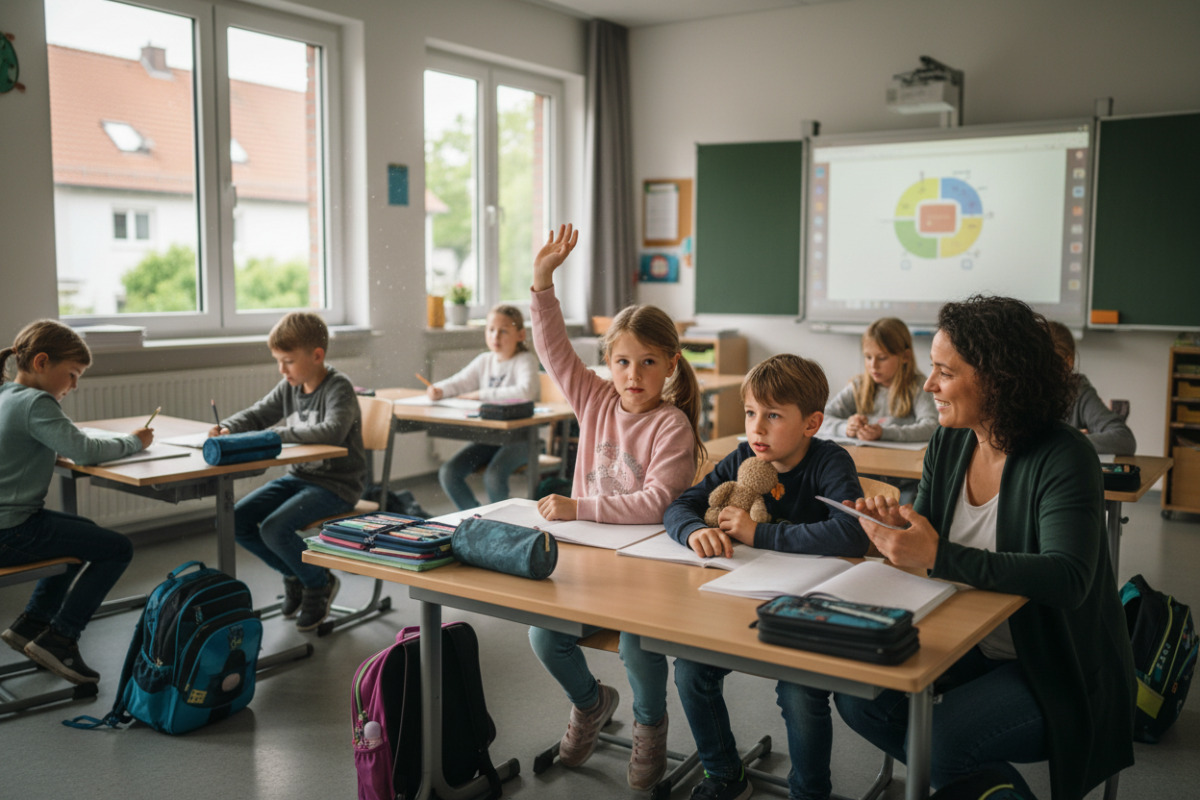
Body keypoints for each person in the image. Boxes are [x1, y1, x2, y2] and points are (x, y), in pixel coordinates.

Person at [835, 296, 1136, 799]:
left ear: (997, 379)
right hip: (970, 638)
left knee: (947, 741)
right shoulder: (951, 442)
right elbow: (926, 538)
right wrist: (896, 533)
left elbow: (1067, 578)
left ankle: (963, 781)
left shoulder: (1066, 456)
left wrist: (936, 556)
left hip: (1057, 662)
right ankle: (973, 787)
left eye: (944, 373)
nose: (929, 385)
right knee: (859, 699)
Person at [528, 224, 705, 790]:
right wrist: (542, 283)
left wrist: (580, 506)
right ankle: (591, 703)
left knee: (636, 645)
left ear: (671, 365)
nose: (634, 376)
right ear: (608, 364)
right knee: (543, 634)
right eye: (623, 362)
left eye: (648, 363)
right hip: (589, 559)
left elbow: (657, 503)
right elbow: (553, 350)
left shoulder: (670, 423)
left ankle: (651, 728)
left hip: (647, 568)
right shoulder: (595, 398)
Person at [664, 354, 867, 800]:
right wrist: (695, 528)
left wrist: (762, 533)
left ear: (812, 423)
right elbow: (680, 506)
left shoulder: (830, 462)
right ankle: (725, 775)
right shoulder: (741, 456)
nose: (756, 428)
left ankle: (810, 792)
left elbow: (853, 534)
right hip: (739, 601)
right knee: (690, 669)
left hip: (808, 609)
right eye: (752, 413)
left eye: (773, 416)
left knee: (800, 689)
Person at [0, 320, 153, 684]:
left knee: (83, 533)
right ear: (41, 363)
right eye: (71, 374)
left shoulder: (7, 394)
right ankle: (60, 638)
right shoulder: (38, 402)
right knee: (117, 548)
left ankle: (31, 625)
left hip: (8, 527)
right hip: (11, 532)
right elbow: (84, 451)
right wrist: (135, 442)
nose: (74, 385)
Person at [210, 311, 366, 632]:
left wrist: (275, 435)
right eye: (278, 361)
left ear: (317, 356)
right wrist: (227, 427)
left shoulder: (339, 387)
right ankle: (297, 574)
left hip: (337, 486)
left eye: (288, 361)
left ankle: (317, 583)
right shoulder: (290, 387)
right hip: (298, 479)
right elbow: (256, 414)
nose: (281, 370)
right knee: (235, 519)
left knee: (273, 529)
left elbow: (332, 431)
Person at [430, 304, 540, 509]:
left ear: (520, 334)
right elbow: (459, 382)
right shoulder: (484, 360)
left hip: (523, 440)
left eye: (503, 330)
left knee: (494, 475)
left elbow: (525, 392)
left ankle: (507, 526)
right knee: (449, 473)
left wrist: (480, 395)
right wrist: (440, 390)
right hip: (490, 439)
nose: (495, 336)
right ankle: (478, 521)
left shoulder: (526, 360)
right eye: (490, 330)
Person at [819, 317, 936, 504]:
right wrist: (846, 427)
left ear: (905, 356)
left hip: (904, 481)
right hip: (862, 476)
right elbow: (820, 418)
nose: (873, 365)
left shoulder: (917, 387)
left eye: (882, 358)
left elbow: (931, 426)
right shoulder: (859, 386)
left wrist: (883, 432)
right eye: (868, 357)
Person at [1047, 320, 1137, 455]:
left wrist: (1071, 440)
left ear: (1069, 362)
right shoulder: (1018, 391)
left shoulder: (1078, 391)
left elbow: (1123, 440)